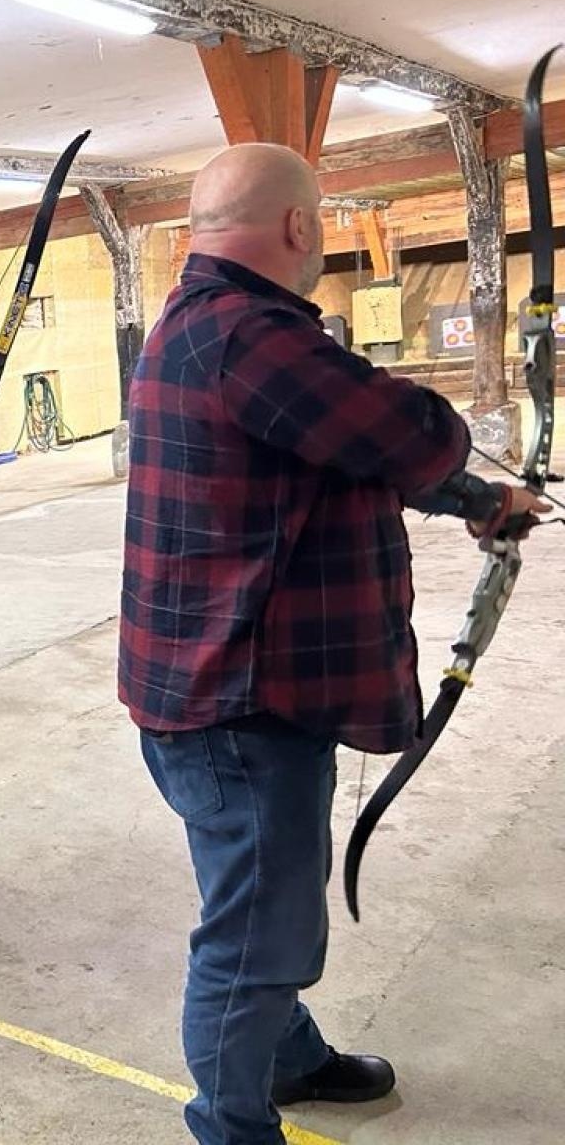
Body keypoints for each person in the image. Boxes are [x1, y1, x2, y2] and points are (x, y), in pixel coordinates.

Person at [118, 142, 550, 1145]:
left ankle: (290, 1059)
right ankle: (230, 1125)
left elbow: (336, 451)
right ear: (300, 229)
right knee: (253, 938)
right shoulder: (248, 335)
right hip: (238, 704)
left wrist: (481, 501)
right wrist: (457, 454)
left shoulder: (214, 326)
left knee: (261, 905)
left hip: (229, 690)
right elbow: (404, 433)